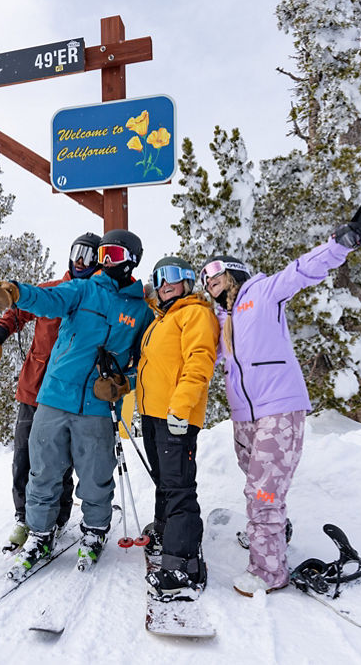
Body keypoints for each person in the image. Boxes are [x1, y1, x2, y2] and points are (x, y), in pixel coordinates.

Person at [202, 193, 361, 597]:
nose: (209, 283)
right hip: (243, 416)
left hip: (278, 409)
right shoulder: (219, 319)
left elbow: (303, 270)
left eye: (215, 276)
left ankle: (268, 571)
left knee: (263, 492)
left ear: (235, 273)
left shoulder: (265, 292)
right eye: (206, 280)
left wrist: (342, 241)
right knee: (260, 485)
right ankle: (275, 531)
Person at [0, 229, 154, 579]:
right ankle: (40, 533)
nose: (107, 261)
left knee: (95, 474)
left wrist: (127, 382)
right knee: (43, 470)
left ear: (133, 261)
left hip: (96, 405)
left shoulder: (141, 311)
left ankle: (94, 532)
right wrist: (18, 292)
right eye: (104, 253)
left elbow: (147, 360)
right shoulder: (83, 289)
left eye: (116, 255)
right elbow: (48, 299)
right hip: (54, 396)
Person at [0, 232, 101, 551]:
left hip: (71, 394)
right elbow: (16, 312)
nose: (80, 261)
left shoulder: (98, 300)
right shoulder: (51, 292)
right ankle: (24, 517)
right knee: (24, 456)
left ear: (100, 261)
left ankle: (56, 519)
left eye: (89, 256)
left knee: (57, 460)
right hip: (35, 388)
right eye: (77, 252)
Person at [137, 256, 220, 602]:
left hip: (176, 415)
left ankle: (184, 565)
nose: (164, 282)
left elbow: (200, 359)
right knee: (164, 480)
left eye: (171, 276)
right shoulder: (164, 318)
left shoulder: (195, 313)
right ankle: (165, 531)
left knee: (178, 485)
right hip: (154, 414)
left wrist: (181, 407)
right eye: (158, 277)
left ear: (186, 280)